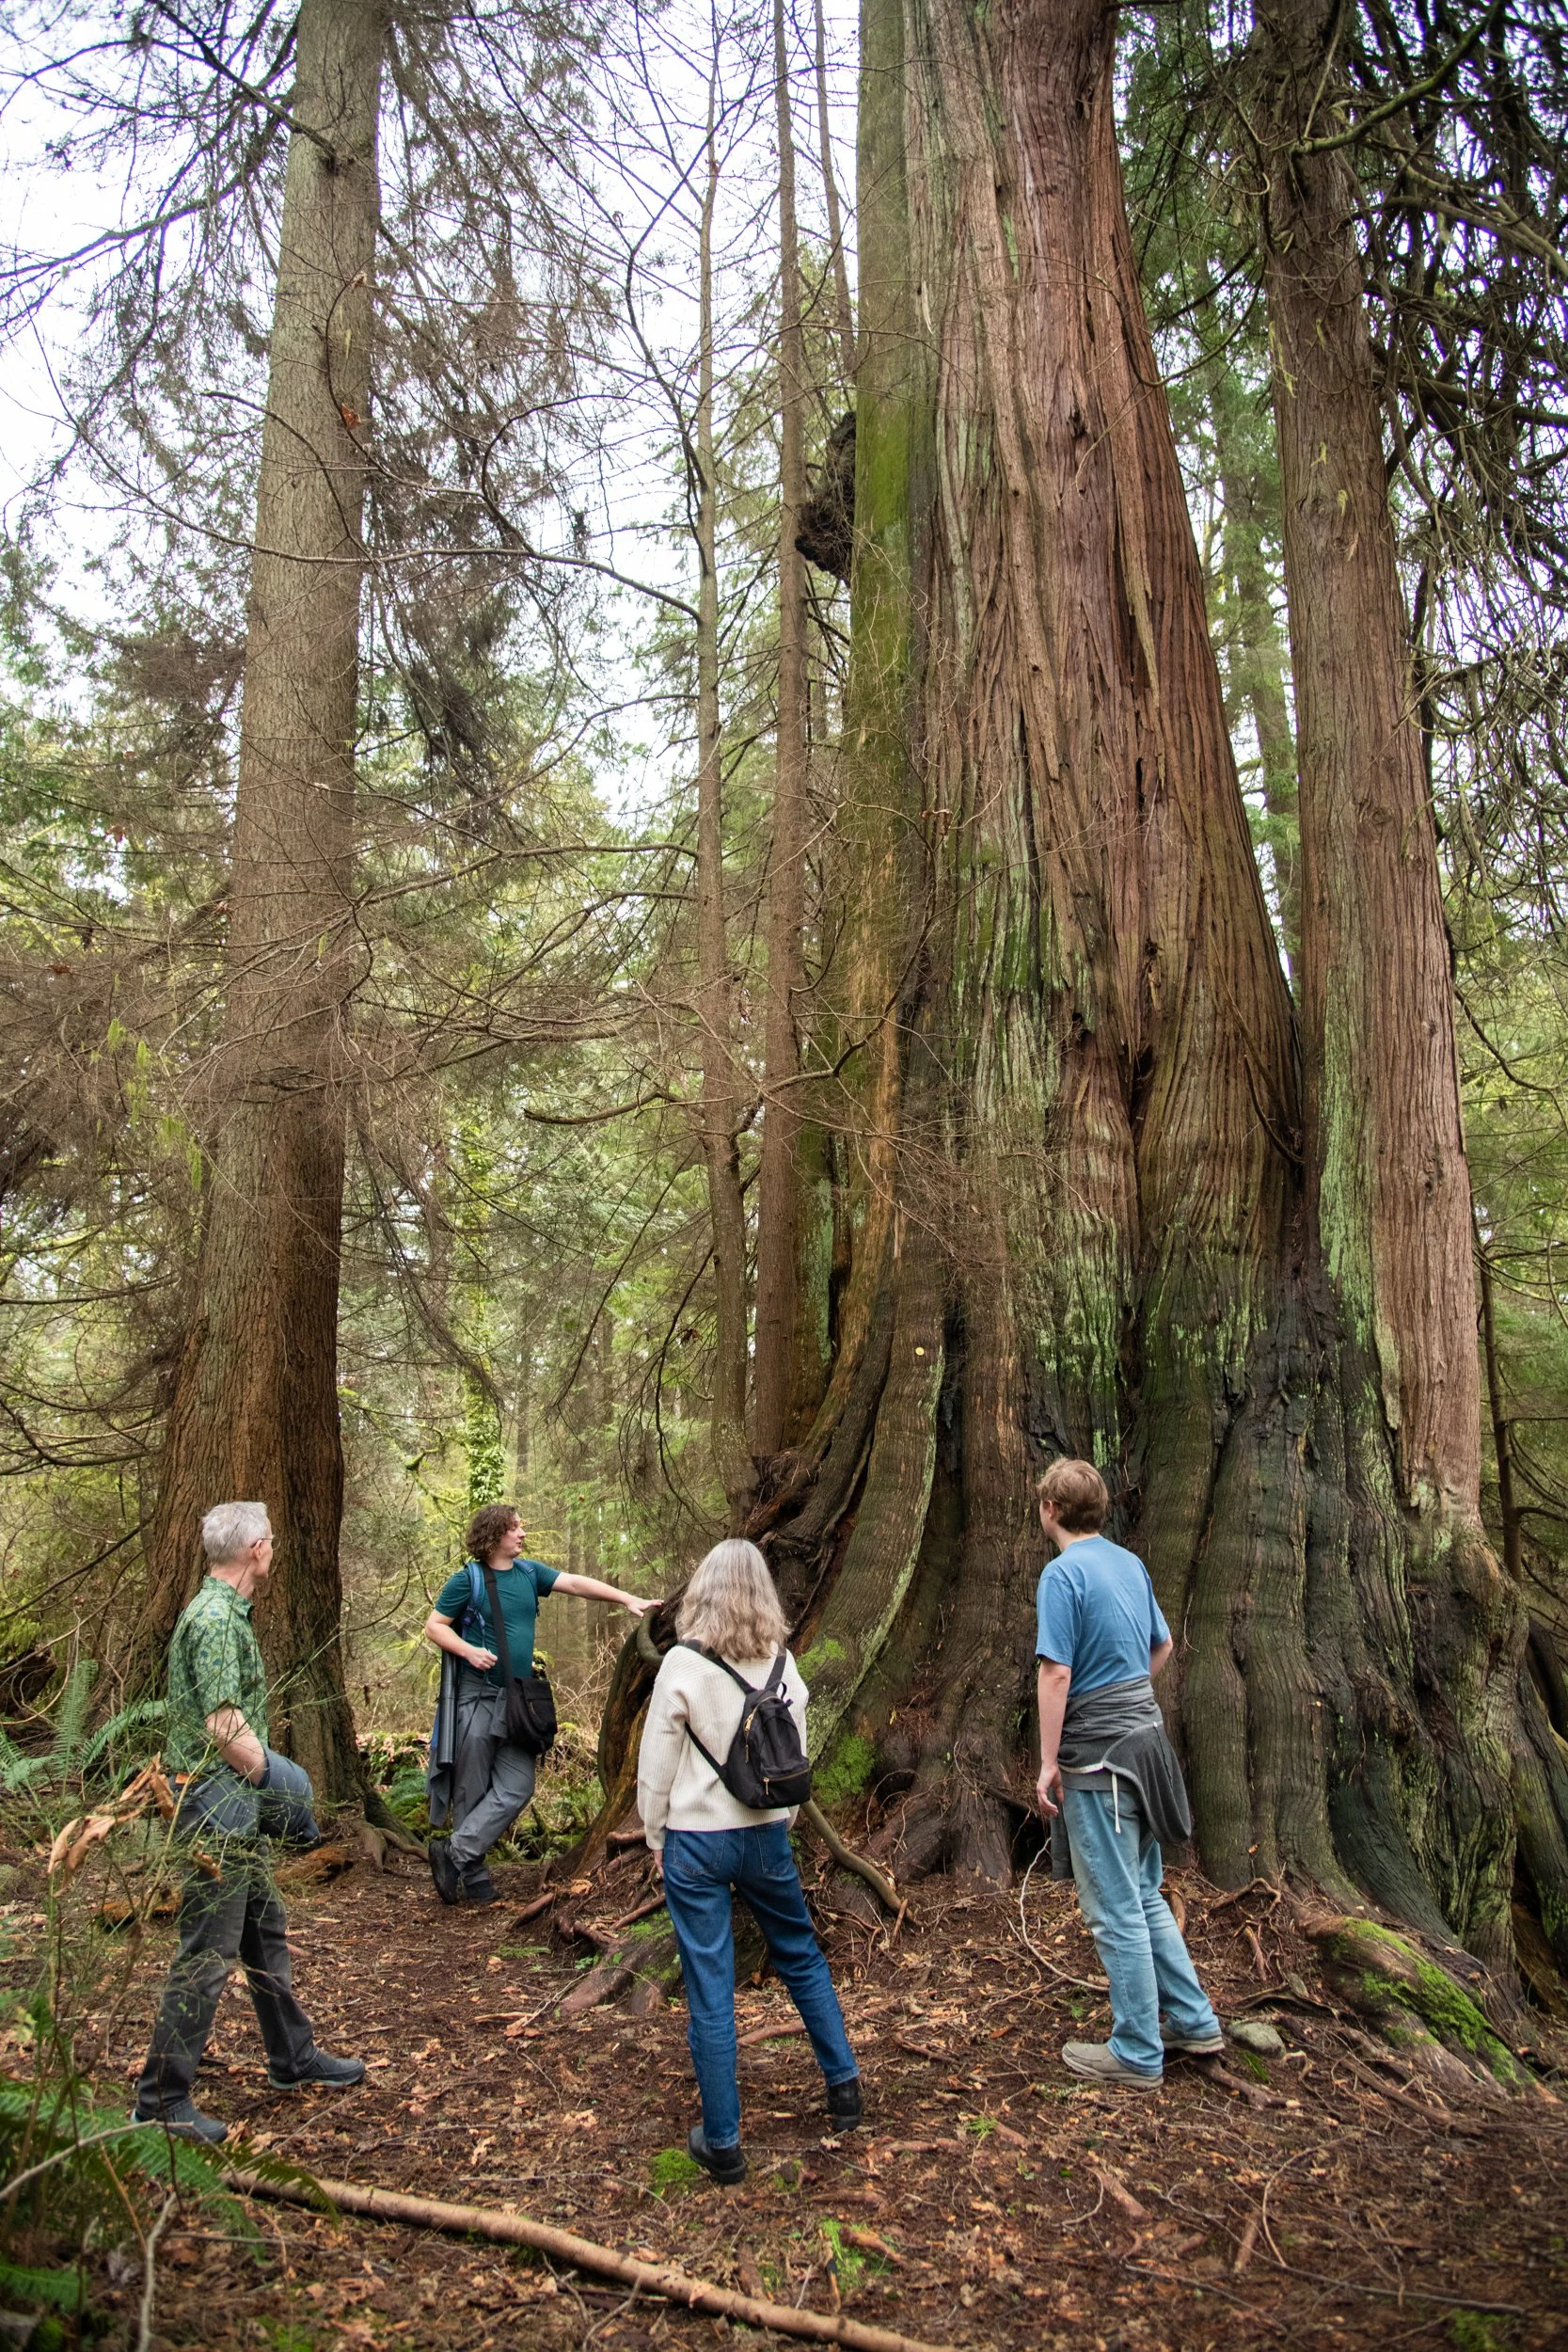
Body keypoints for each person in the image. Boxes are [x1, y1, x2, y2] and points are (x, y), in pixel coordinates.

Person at [133, 1502, 364, 2144]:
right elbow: (220, 1723)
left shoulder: (225, 1610)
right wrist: (276, 1781)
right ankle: (160, 2100)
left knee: (264, 1930)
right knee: (207, 1950)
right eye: (273, 1541)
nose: (275, 1549)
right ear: (257, 1549)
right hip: (213, 1798)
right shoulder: (212, 1619)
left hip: (229, 1796)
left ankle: (293, 2058)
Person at [638, 1538, 862, 2184]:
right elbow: (793, 1755)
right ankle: (844, 2090)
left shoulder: (681, 1665)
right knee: (799, 1956)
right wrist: (779, 1820)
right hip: (765, 1833)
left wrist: (656, 1836)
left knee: (710, 1985)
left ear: (701, 1591)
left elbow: (654, 1771)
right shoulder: (783, 1666)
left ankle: (724, 2141)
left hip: (696, 1840)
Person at [1034, 1457, 1224, 2087]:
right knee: (1142, 1893)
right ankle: (1192, 2021)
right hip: (1145, 1746)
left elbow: (1055, 1672)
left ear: (1051, 1511)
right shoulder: (1129, 1564)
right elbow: (1161, 1643)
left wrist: (1045, 1761)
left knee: (1114, 1908)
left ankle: (1136, 2052)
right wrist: (1128, 1695)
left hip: (1100, 1761)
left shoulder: (1062, 1576)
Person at [423, 1502, 652, 1904]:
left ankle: (455, 1853)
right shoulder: (468, 1580)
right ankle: (474, 1879)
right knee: (471, 1789)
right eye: (515, 1528)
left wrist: (626, 1599)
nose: (522, 1534)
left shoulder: (530, 1573)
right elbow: (435, 1626)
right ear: (495, 1535)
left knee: (517, 1786)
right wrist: (468, 1651)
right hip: (475, 1697)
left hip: (518, 1703)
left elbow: (577, 1584)